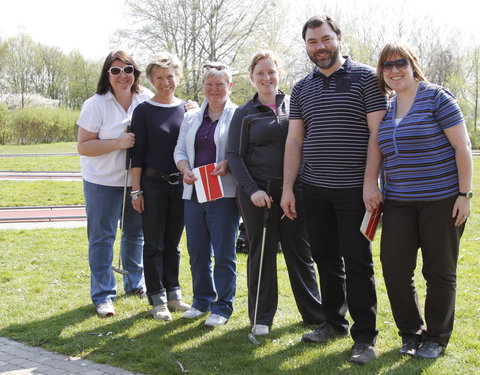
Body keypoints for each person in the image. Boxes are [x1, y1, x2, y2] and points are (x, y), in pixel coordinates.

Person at [280, 15, 387, 364]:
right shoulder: (301, 88)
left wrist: (371, 182)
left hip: (355, 191)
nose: (320, 47)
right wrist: (288, 189)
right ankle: (333, 323)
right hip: (314, 189)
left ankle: (365, 338)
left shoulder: (367, 78)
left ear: (339, 38)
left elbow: (377, 134)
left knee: (358, 263)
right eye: (312, 42)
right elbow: (295, 140)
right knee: (325, 259)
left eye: (325, 39)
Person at [376, 41, 473, 359]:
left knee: (439, 271)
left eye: (399, 62)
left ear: (412, 63)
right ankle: (410, 333)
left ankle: (437, 337)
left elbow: (462, 147)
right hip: (398, 203)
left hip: (441, 200)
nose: (393, 70)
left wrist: (464, 194)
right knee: (393, 268)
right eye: (387, 65)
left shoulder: (436, 96)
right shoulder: (388, 106)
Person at [227, 51, 323, 336]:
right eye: (260, 73)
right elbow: (234, 156)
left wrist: (297, 187)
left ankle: (315, 314)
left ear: (279, 73)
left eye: (271, 72)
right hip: (259, 195)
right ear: (252, 78)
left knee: (300, 252)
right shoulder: (244, 114)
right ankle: (261, 317)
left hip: (294, 193)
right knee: (262, 254)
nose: (266, 78)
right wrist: (253, 190)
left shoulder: (295, 106)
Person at [77, 51, 150, 317]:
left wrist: (187, 108)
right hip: (102, 183)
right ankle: (103, 295)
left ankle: (135, 284)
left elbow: (168, 113)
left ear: (136, 73)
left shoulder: (146, 99)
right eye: (116, 70)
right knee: (102, 238)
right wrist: (117, 143)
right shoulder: (95, 104)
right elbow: (83, 146)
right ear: (107, 75)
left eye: (128, 69)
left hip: (136, 182)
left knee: (135, 234)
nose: (122, 76)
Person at [174, 62, 239, 327]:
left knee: (224, 252)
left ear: (229, 86)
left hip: (223, 194)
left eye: (220, 84)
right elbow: (179, 150)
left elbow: (242, 152)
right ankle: (202, 300)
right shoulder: (190, 117)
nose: (214, 90)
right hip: (193, 193)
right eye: (209, 85)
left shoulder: (238, 116)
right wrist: (185, 169)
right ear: (202, 87)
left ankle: (222, 306)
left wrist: (229, 164)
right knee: (197, 251)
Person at [130, 52, 193, 321]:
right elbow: (137, 154)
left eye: (170, 76)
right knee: (153, 243)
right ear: (151, 80)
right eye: (159, 77)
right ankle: (157, 298)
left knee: (173, 244)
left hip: (180, 186)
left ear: (178, 76)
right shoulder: (143, 110)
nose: (165, 82)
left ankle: (174, 294)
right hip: (152, 184)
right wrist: (136, 190)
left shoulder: (189, 109)